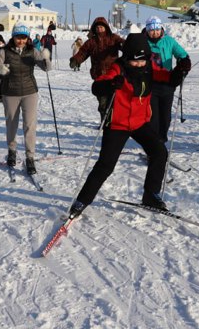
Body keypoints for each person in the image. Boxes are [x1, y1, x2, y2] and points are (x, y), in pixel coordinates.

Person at [67, 33, 171, 219]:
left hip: (139, 122)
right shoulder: (119, 68)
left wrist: (179, 72)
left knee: (159, 152)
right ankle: (82, 200)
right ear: (127, 58)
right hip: (117, 124)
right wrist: (110, 84)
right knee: (106, 165)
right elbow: (97, 85)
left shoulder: (149, 68)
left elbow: (166, 77)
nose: (139, 64)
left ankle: (150, 195)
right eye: (134, 61)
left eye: (142, 60)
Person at [0, 25, 51, 174]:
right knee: (11, 124)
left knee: (29, 125)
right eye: (18, 37)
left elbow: (46, 68)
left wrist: (46, 58)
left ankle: (30, 158)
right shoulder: (4, 52)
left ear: (27, 38)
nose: (21, 41)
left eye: (24, 38)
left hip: (30, 92)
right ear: (13, 37)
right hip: (10, 92)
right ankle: (12, 151)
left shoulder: (32, 51)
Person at [143, 16, 191, 143]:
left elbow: (182, 54)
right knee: (153, 117)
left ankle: (162, 139)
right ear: (147, 30)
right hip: (150, 84)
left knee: (165, 117)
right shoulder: (143, 41)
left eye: (157, 29)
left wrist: (184, 62)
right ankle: (153, 143)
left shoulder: (169, 41)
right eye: (152, 30)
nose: (155, 32)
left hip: (167, 84)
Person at [69, 17, 125, 121]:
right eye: (97, 27)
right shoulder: (91, 42)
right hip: (99, 76)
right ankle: (105, 121)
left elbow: (124, 44)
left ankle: (114, 121)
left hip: (114, 75)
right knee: (102, 102)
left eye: (101, 27)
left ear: (106, 27)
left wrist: (129, 46)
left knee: (115, 100)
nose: (99, 29)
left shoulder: (113, 38)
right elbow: (83, 53)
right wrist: (75, 60)